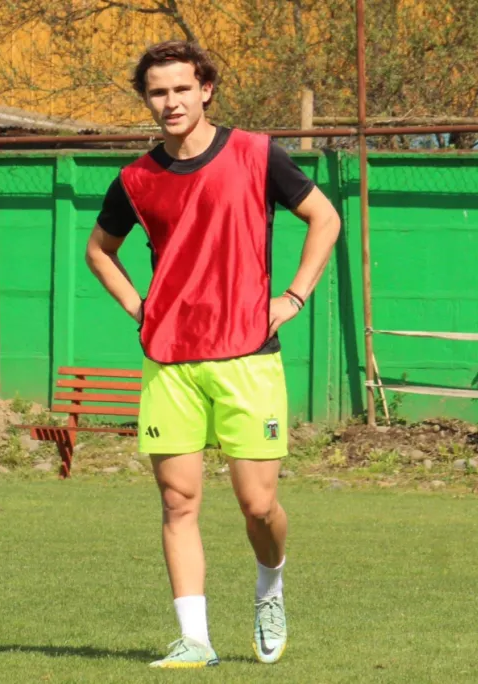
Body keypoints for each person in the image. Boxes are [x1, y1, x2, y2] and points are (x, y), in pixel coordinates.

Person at [85, 39, 341, 669]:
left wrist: (294, 295)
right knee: (178, 502)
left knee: (258, 505)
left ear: (206, 90)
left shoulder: (256, 153)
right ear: (147, 100)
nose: (170, 102)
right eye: (157, 92)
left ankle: (270, 585)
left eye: (181, 89)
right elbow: (99, 250)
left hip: (247, 356)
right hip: (170, 361)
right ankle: (194, 640)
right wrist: (140, 307)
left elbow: (326, 218)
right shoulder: (135, 179)